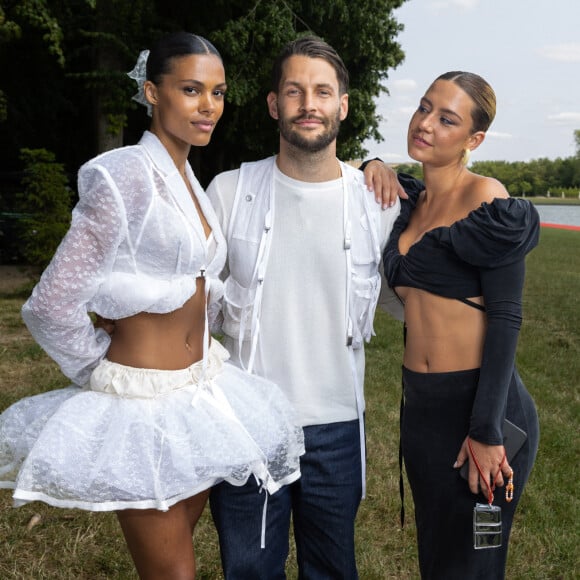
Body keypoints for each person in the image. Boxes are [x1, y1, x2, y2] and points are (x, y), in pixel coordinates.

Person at [0, 31, 305, 579]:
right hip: (141, 405)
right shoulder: (123, 176)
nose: (208, 106)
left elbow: (189, 282)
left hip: (199, 393)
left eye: (217, 92)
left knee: (172, 559)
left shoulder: (188, 176)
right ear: (151, 91)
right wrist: (99, 367)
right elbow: (50, 302)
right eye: (191, 89)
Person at [206, 36, 405, 579]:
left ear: (343, 105)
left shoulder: (376, 202)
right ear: (275, 105)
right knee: (249, 570)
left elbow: (411, 303)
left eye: (322, 92)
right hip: (248, 422)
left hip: (338, 424)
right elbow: (190, 299)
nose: (308, 104)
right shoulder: (230, 190)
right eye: (294, 91)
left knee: (333, 569)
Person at [382, 71, 540, 579]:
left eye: (447, 118)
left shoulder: (488, 200)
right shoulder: (410, 205)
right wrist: (371, 163)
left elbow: (507, 316)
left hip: (481, 411)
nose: (425, 123)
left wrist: (486, 431)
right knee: (438, 559)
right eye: (424, 107)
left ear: (474, 139)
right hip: (422, 410)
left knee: (472, 566)